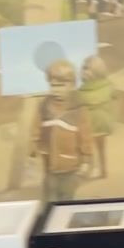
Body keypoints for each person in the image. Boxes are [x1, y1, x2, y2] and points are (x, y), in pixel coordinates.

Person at [28, 59, 96, 202]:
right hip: (49, 163)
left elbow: (85, 135)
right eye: (53, 86)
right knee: (49, 198)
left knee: (66, 198)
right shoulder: (44, 106)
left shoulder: (78, 108)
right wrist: (33, 148)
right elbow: (36, 128)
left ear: (71, 85)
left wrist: (86, 159)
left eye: (61, 85)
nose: (56, 90)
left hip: (70, 165)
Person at [77, 55, 117, 178]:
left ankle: (92, 168)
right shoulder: (109, 85)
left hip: (89, 123)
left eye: (86, 68)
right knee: (101, 148)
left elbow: (79, 102)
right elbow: (114, 96)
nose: (84, 71)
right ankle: (103, 170)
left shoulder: (82, 90)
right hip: (104, 121)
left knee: (89, 148)